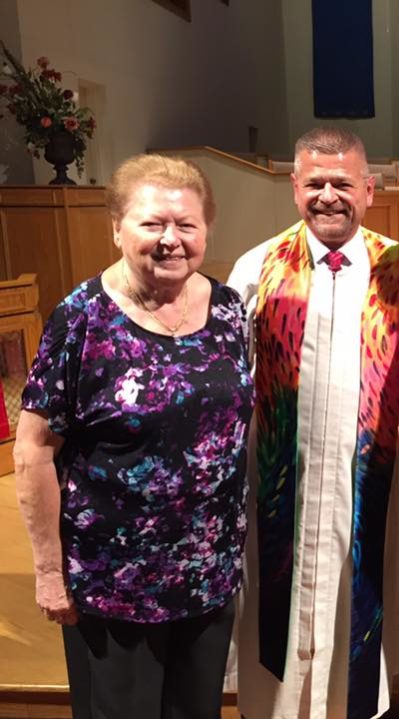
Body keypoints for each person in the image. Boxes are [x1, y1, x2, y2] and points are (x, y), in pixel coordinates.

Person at [14, 154, 255, 718]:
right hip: (114, 582)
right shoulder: (82, 318)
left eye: (186, 224)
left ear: (206, 229)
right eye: (152, 223)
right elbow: (33, 451)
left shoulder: (228, 310)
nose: (171, 239)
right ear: (117, 228)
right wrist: (49, 573)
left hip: (207, 573)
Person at [228, 127, 399, 719]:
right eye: (315, 183)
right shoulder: (257, 267)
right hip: (278, 478)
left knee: (355, 591)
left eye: (343, 183)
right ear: (294, 187)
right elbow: (232, 375)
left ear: (370, 189)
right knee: (275, 605)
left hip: (362, 475)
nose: (328, 196)